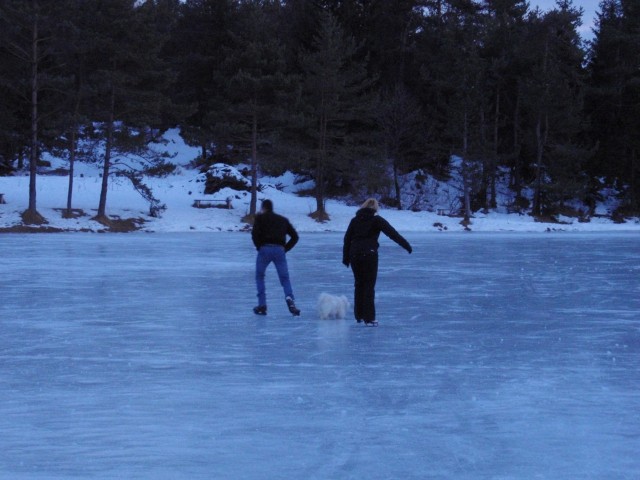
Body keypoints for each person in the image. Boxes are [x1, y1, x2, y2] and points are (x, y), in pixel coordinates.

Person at [342, 198, 412, 325]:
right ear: (375, 208)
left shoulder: (355, 220)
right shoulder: (376, 220)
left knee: (359, 284)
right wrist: (406, 245)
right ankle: (369, 317)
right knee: (369, 285)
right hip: (369, 254)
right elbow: (392, 233)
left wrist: (346, 257)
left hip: (355, 255)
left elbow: (347, 239)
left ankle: (359, 315)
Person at [251, 199, 300, 316]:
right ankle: (290, 298)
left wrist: (259, 246)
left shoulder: (260, 218)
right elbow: (295, 237)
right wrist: (285, 248)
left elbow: (254, 234)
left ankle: (262, 305)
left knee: (260, 276)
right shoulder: (283, 220)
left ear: (263, 208)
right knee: (285, 278)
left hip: (265, 249)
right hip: (279, 250)